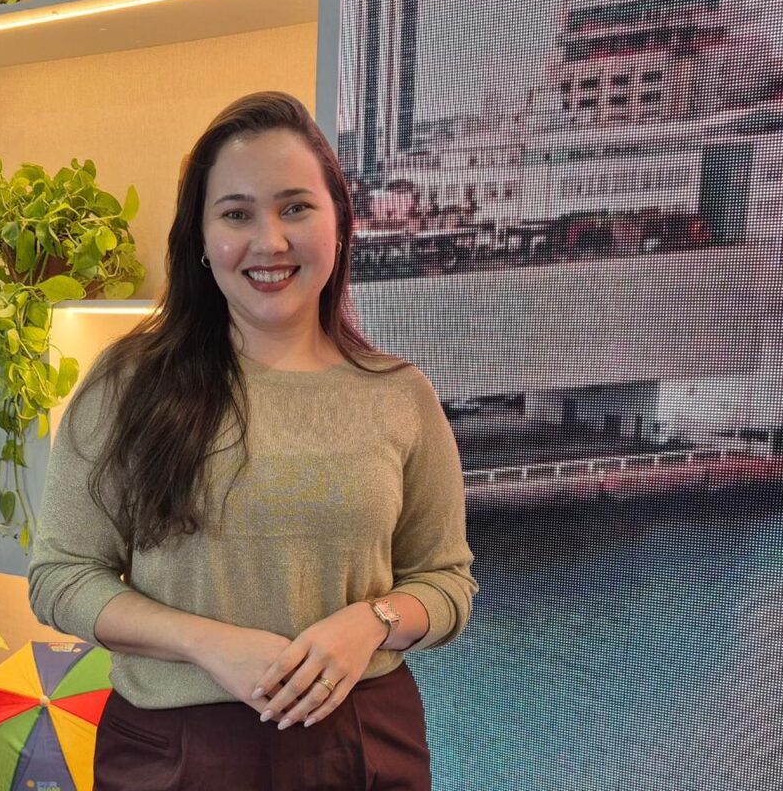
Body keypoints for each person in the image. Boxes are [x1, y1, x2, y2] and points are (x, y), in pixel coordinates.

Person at [28, 91, 478, 790]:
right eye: (236, 214)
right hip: (174, 751)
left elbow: (446, 582)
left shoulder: (399, 394)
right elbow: (61, 577)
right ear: (201, 240)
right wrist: (208, 645)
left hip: (363, 740)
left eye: (295, 208)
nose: (269, 242)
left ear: (339, 224)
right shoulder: (128, 383)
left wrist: (371, 621)